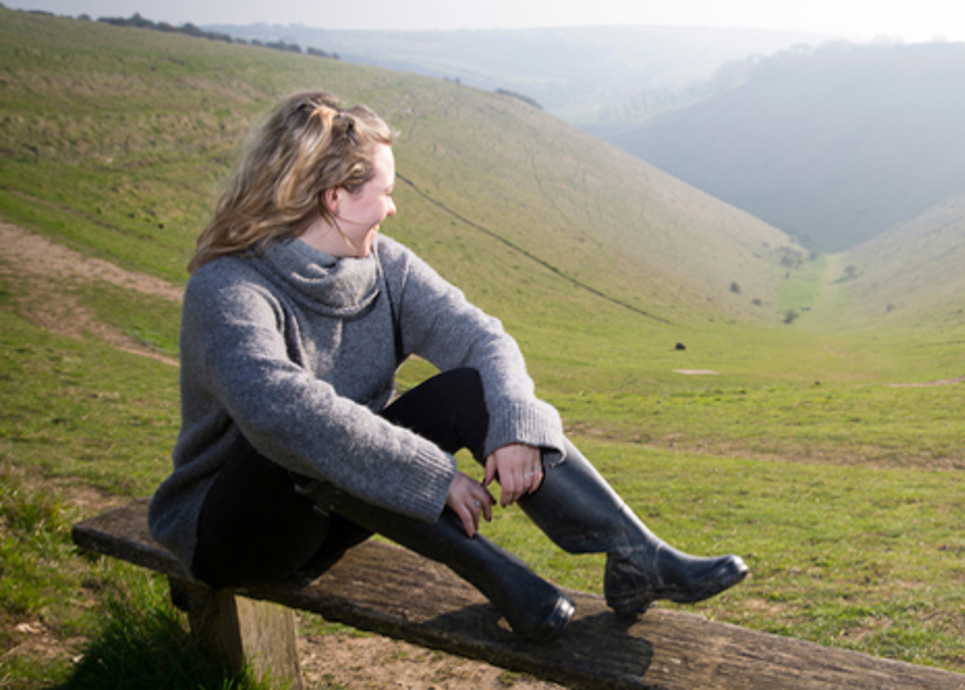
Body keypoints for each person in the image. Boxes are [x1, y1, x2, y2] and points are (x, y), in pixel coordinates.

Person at [147, 91, 748, 643]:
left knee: (469, 389)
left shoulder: (385, 267)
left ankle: (636, 556)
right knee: (303, 430)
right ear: (335, 199)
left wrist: (514, 424)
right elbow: (282, 413)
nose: (393, 205)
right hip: (239, 533)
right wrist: (430, 473)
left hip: (343, 505)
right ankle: (501, 576)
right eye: (384, 190)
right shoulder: (229, 288)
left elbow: (484, 338)